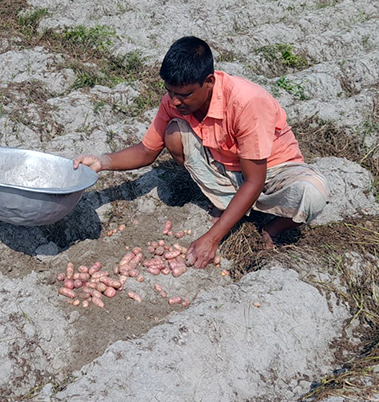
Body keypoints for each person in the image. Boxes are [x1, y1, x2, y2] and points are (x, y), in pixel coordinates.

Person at [74, 36, 328, 269]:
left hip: (271, 170)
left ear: (209, 82)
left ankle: (273, 227)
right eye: (169, 92)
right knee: (174, 133)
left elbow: (255, 179)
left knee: (312, 193)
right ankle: (227, 203)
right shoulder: (174, 101)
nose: (174, 101)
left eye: (183, 95)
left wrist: (211, 238)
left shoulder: (246, 102)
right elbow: (146, 151)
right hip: (226, 168)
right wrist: (102, 161)